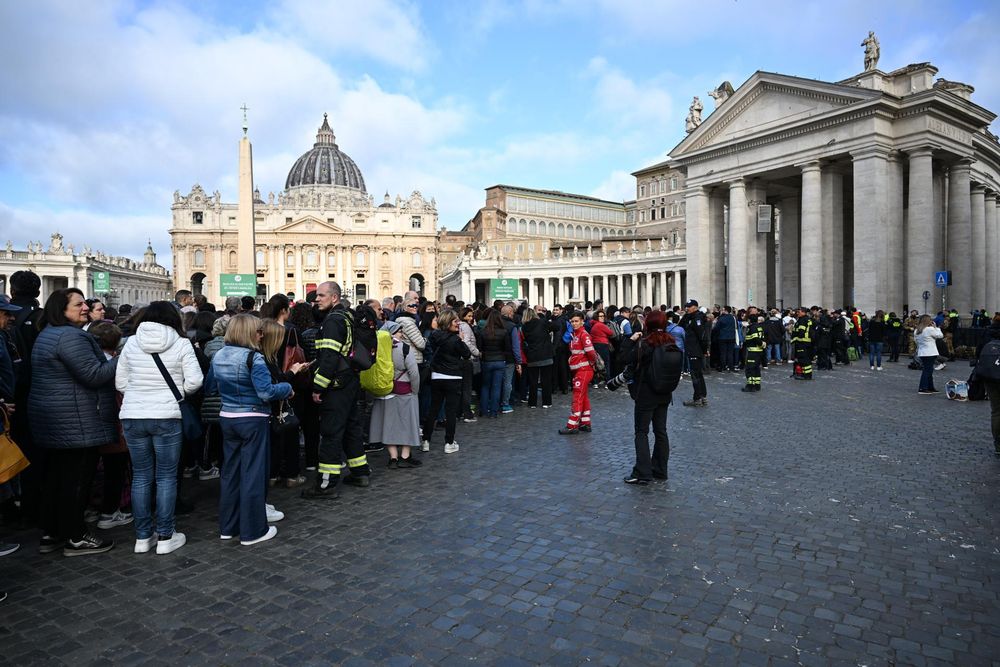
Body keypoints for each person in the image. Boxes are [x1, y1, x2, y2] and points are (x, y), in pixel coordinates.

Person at [30, 288, 119, 557]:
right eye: (79, 304)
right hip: (75, 419)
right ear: (62, 310)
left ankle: (52, 531)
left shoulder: (49, 333)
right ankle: (76, 536)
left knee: (58, 478)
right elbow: (94, 375)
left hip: (58, 418)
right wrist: (120, 359)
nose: (85, 308)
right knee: (77, 479)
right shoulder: (70, 336)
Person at [115, 301, 203, 555]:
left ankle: (143, 537)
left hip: (133, 414)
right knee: (166, 476)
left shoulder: (131, 343)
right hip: (166, 414)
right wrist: (176, 394)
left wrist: (138, 395)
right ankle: (165, 534)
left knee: (141, 476)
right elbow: (195, 381)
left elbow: (120, 382)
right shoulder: (181, 343)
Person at [205, 314, 291, 544]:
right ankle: (253, 531)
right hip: (252, 418)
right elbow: (266, 392)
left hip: (228, 417)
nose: (261, 335)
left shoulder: (219, 355)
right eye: (259, 331)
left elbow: (210, 387)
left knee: (230, 473)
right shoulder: (255, 358)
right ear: (250, 333)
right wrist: (286, 387)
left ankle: (228, 526)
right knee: (253, 473)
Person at [304, 282, 370, 499]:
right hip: (350, 381)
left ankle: (326, 484)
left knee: (331, 433)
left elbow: (329, 358)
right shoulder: (347, 316)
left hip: (336, 385)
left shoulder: (332, 321)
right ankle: (360, 473)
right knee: (351, 428)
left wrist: (318, 387)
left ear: (334, 298)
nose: (316, 299)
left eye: (321, 295)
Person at [619, 311, 682, 484]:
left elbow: (624, 358)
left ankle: (642, 472)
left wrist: (630, 340)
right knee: (661, 431)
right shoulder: (671, 342)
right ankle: (660, 469)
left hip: (646, 393)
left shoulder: (646, 344)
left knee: (641, 432)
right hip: (665, 393)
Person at [258, 319, 310, 489]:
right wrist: (292, 373)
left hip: (266, 409)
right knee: (289, 435)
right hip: (273, 406)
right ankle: (291, 475)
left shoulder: (264, 356)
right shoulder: (264, 359)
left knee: (274, 440)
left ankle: (273, 474)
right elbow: (275, 383)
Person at [372, 321, 422, 468]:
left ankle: (393, 458)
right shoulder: (404, 348)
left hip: (384, 390)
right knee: (408, 423)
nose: (402, 334)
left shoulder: (377, 347)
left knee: (388, 425)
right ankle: (405, 456)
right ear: (393, 333)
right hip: (405, 389)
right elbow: (414, 372)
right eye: (400, 331)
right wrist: (415, 390)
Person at [421, 310, 471, 454]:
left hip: (437, 375)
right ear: (448, 322)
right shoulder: (455, 340)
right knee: (450, 411)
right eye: (455, 321)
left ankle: (426, 440)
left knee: (433, 409)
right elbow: (466, 354)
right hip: (453, 376)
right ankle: (449, 442)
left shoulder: (434, 336)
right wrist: (462, 340)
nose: (458, 324)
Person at [559, 311, 598, 435]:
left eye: (576, 321)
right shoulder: (575, 335)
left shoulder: (583, 335)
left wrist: (592, 363)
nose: (574, 323)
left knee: (577, 397)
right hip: (580, 370)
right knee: (583, 396)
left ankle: (572, 425)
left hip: (584, 370)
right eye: (572, 321)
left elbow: (591, 353)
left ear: (582, 321)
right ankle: (585, 423)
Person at [521, 306, 555, 409]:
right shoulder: (542, 322)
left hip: (532, 355)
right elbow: (556, 327)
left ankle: (532, 403)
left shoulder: (524, 327)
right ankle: (546, 402)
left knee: (533, 381)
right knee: (546, 380)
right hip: (545, 354)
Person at [975, 315, 1000, 455]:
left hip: (990, 375)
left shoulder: (986, 333)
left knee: (996, 411)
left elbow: (978, 353)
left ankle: (998, 443)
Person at [479, 308, 510, 419]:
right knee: (496, 387)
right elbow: (507, 348)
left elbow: (480, 347)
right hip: (500, 360)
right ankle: (493, 412)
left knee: (485, 386)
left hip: (487, 360)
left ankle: (483, 410)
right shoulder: (504, 332)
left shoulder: (483, 331)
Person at [680, 300, 709, 407]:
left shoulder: (697, 319)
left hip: (696, 350)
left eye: (689, 306)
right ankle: (703, 397)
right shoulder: (690, 317)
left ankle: (697, 398)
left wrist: (704, 350)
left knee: (695, 375)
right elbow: (680, 325)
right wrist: (685, 316)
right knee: (698, 374)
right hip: (693, 349)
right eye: (686, 306)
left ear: (695, 307)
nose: (687, 308)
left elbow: (702, 337)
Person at [457, 306, 481, 421]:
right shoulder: (465, 326)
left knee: (462, 388)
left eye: (472, 316)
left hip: (460, 359)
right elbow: (466, 342)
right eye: (469, 316)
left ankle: (460, 412)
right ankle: (466, 413)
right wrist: (477, 352)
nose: (471, 318)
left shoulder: (458, 325)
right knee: (467, 388)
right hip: (467, 359)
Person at [914, 315, 944, 395]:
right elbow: (940, 335)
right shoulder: (929, 329)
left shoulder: (917, 330)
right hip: (930, 352)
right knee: (927, 371)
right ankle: (923, 388)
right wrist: (936, 328)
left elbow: (916, 341)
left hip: (922, 352)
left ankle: (930, 387)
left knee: (929, 370)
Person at [588, 310, 614, 389]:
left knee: (597, 363)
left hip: (595, 345)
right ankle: (607, 382)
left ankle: (595, 382)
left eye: (603, 316)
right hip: (602, 345)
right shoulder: (600, 325)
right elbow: (611, 333)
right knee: (606, 363)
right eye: (601, 316)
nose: (603, 318)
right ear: (597, 317)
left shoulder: (593, 324)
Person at [742, 312, 766, 392]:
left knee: (750, 369)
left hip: (753, 351)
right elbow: (762, 337)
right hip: (759, 351)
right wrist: (763, 344)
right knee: (756, 368)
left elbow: (755, 338)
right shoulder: (759, 327)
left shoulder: (752, 327)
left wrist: (761, 344)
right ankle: (757, 385)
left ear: (750, 320)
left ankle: (750, 386)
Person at [791, 307, 814, 380]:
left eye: (799, 312)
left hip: (802, 342)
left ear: (804, 312)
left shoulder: (803, 320)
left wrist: (794, 339)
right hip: (805, 342)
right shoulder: (805, 319)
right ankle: (803, 374)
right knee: (803, 359)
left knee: (804, 359)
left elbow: (801, 333)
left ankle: (807, 375)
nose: (797, 313)